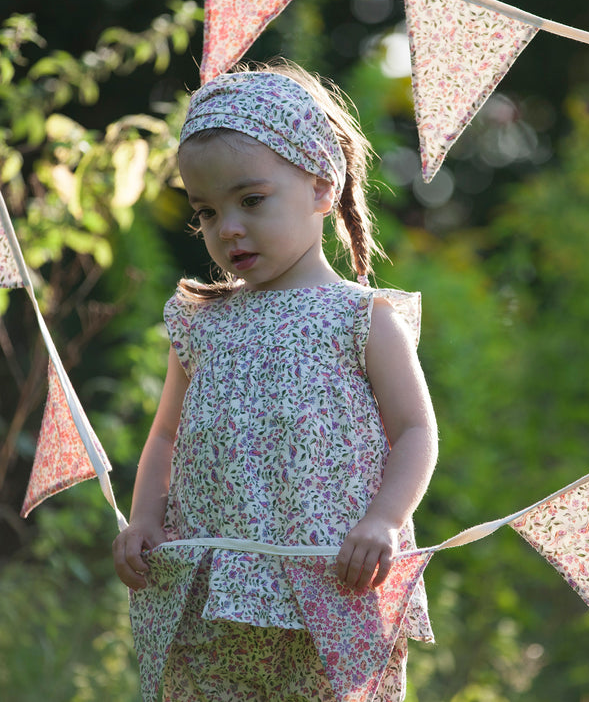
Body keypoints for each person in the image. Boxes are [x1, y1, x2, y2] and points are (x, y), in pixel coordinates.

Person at [112, 60, 438, 701]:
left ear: (321, 188)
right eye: (206, 211)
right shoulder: (201, 322)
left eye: (251, 201)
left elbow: (416, 430)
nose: (227, 227)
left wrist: (385, 520)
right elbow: (166, 438)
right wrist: (144, 516)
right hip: (209, 592)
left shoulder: (361, 318)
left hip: (332, 588)